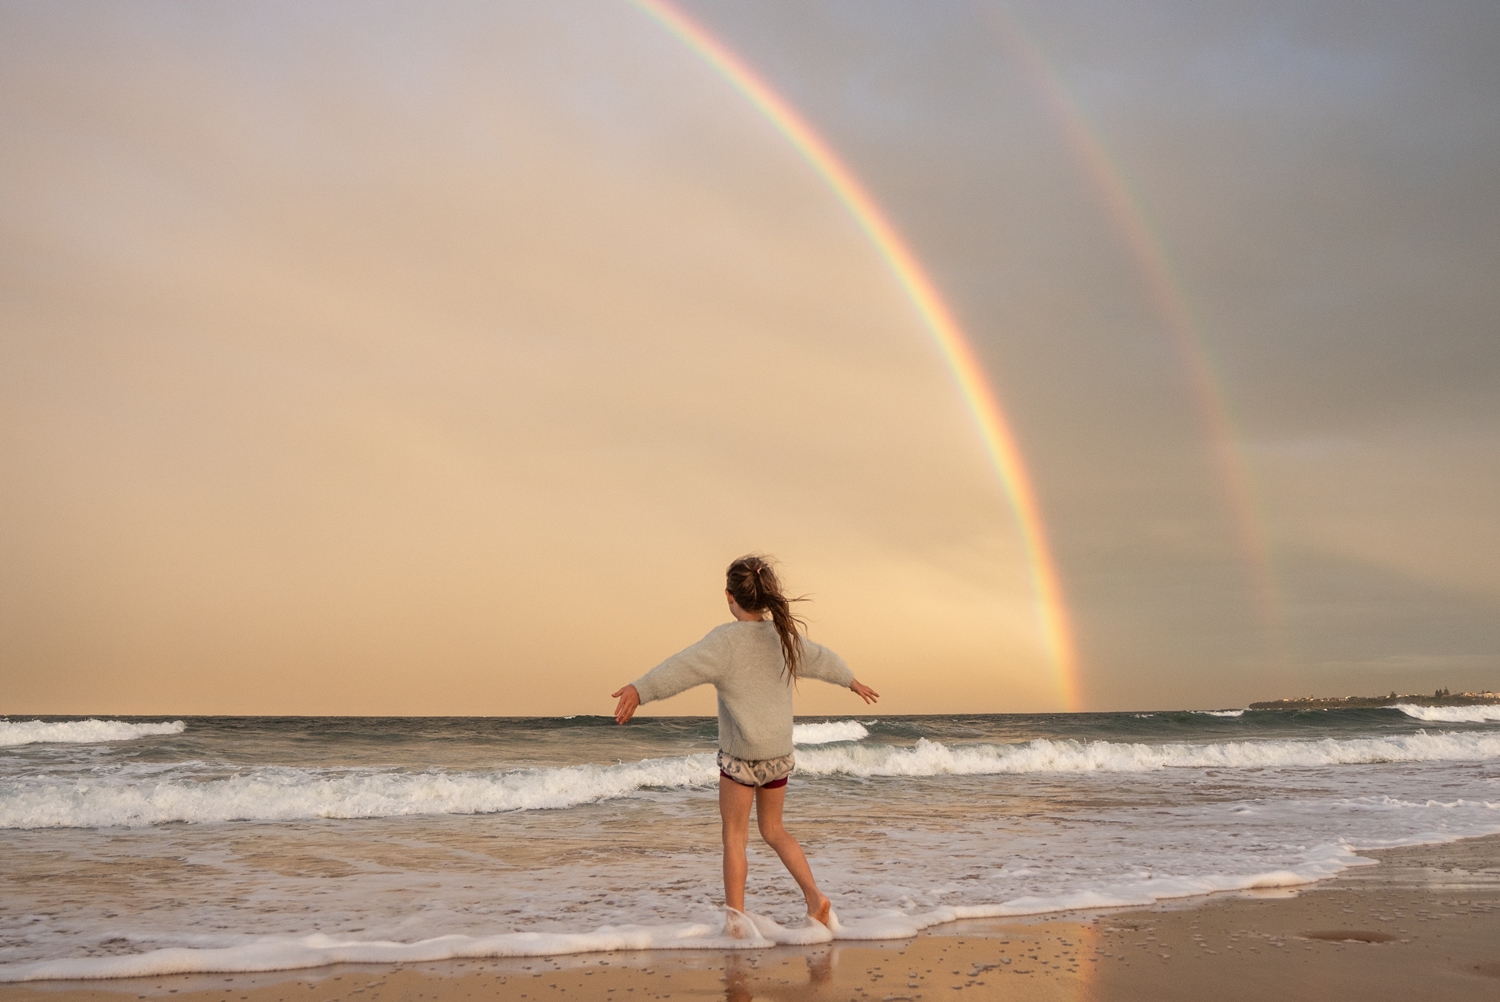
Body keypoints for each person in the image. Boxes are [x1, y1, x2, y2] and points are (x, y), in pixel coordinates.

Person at [611, 555, 879, 933]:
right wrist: (851, 680)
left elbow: (680, 668)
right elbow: (821, 659)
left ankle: (736, 921)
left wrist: (641, 689)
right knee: (774, 831)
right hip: (778, 758)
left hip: (741, 760)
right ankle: (816, 900)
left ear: (729, 597)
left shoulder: (724, 642)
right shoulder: (782, 638)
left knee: (734, 838)